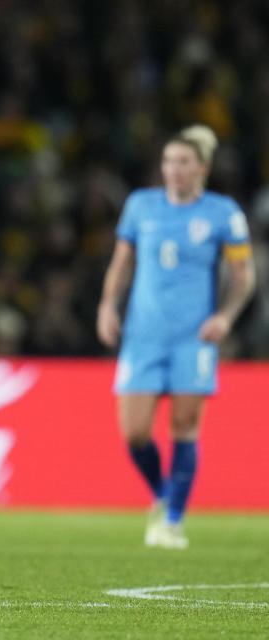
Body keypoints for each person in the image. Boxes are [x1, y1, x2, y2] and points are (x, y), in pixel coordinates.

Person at [97, 125, 255, 549]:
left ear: (202, 168)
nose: (174, 170)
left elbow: (244, 276)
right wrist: (107, 305)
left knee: (185, 426)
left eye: (183, 162)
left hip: (192, 338)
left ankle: (172, 521)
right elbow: (121, 263)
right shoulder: (140, 206)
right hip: (143, 335)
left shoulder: (224, 213)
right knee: (134, 433)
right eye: (168, 161)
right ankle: (163, 494)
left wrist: (225, 316)